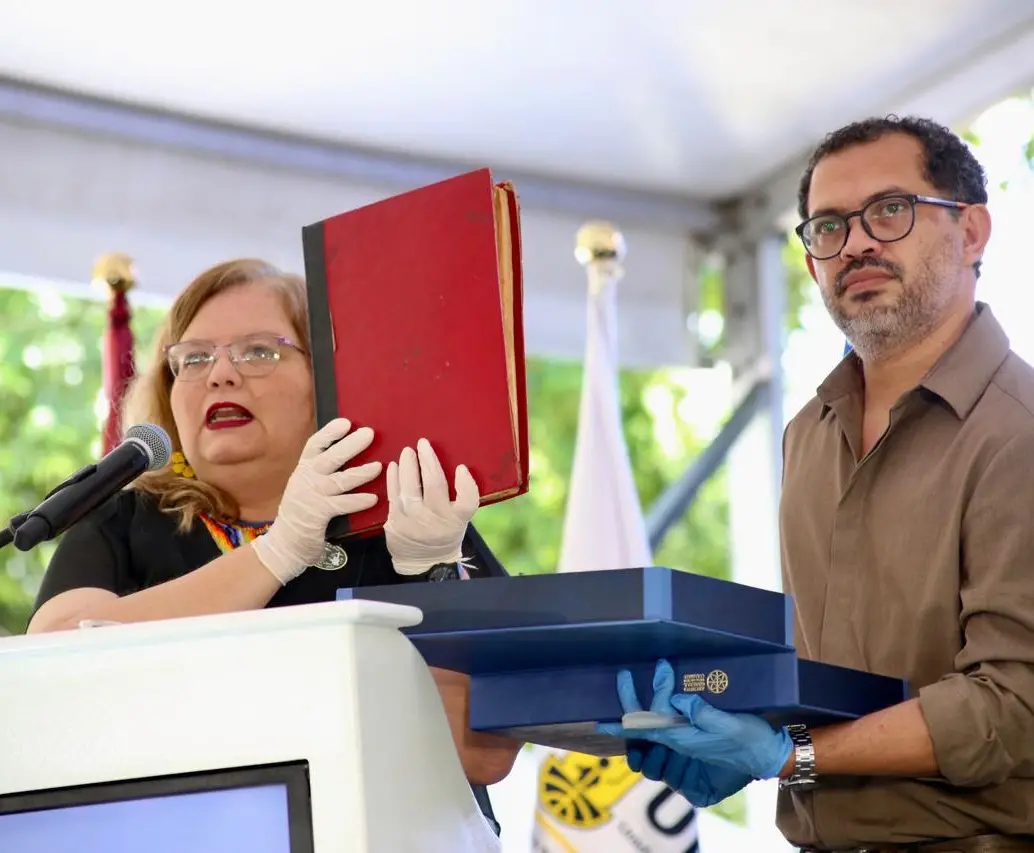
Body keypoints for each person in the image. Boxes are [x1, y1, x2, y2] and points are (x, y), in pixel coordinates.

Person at [599, 116, 1034, 852]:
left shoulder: (1018, 433)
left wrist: (787, 756)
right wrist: (730, 740)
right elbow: (830, 687)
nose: (856, 242)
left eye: (890, 211)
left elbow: (1014, 705)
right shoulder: (808, 433)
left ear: (973, 232)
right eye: (827, 226)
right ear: (809, 265)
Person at [27, 257, 521, 830]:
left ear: (330, 380)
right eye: (194, 358)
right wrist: (277, 551)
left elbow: (485, 755)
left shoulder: (409, 512)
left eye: (259, 351)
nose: (221, 375)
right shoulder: (125, 517)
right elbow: (53, 665)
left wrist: (431, 573)